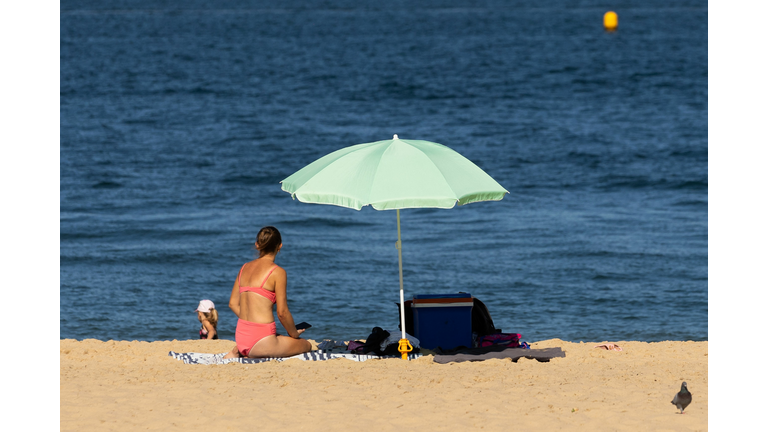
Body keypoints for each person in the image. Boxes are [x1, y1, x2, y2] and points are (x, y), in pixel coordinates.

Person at [223, 226, 312, 359]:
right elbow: (282, 313)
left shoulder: (244, 268)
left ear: (257, 245)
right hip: (262, 340)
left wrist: (251, 322)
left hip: (241, 337)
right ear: (279, 246)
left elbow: (232, 304)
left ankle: (240, 351)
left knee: (277, 338)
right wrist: (294, 334)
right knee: (306, 345)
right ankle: (254, 350)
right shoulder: (277, 272)